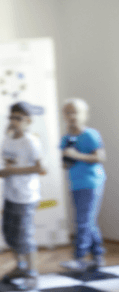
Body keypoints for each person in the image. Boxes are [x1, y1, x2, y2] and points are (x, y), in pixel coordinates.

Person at [0, 101, 45, 291]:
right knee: (9, 233)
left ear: (28, 121)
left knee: (24, 235)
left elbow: (40, 168)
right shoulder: (6, 140)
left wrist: (14, 170)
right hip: (10, 194)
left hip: (26, 196)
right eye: (12, 117)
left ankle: (32, 274)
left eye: (19, 118)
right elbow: (1, 167)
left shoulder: (31, 141)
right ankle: (20, 267)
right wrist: (2, 172)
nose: (14, 121)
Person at [60, 98, 106, 271]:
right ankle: (98, 256)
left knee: (83, 221)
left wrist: (77, 155)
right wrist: (68, 155)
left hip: (92, 182)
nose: (72, 116)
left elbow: (100, 157)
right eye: (68, 112)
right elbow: (65, 163)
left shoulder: (90, 134)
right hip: (76, 183)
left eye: (75, 112)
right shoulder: (66, 138)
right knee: (88, 221)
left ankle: (79, 258)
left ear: (84, 115)